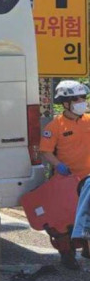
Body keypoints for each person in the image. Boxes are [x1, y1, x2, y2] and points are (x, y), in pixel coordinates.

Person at [39, 80, 90, 270]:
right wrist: (58, 165)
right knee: (64, 222)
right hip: (65, 180)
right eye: (76, 99)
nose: (81, 102)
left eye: (83, 98)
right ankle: (67, 255)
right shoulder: (54, 126)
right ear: (65, 103)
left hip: (88, 180)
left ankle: (86, 248)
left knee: (86, 216)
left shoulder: (88, 120)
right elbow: (46, 151)